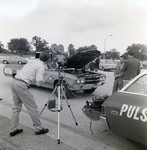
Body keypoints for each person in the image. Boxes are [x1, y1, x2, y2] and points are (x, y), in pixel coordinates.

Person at [10, 50, 50, 137]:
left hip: (14, 81)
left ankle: (13, 129)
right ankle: (39, 129)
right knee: (33, 108)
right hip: (21, 85)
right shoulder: (41, 66)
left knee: (16, 107)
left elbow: (30, 64)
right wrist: (47, 77)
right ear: (48, 60)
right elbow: (39, 83)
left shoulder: (34, 61)